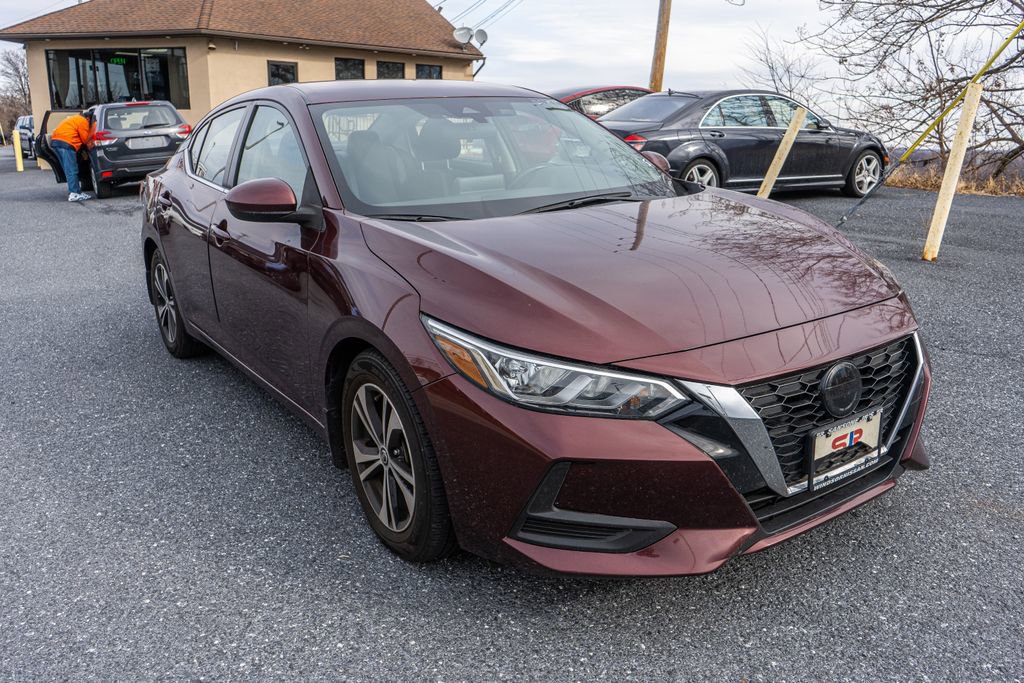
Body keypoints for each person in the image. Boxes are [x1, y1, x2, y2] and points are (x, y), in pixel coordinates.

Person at [51, 110, 94, 202]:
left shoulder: (75, 119)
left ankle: (77, 192)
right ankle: (74, 193)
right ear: (88, 118)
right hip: (66, 144)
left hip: (58, 142)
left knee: (69, 169)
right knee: (71, 169)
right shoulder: (83, 121)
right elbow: (85, 139)